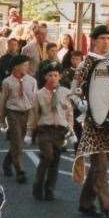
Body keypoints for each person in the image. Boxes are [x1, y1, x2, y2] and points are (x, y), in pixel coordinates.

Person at [70, 24, 109, 218]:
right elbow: (73, 92)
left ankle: (85, 203)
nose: (106, 41)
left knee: (100, 165)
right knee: (101, 167)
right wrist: (83, 105)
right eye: (102, 38)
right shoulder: (87, 64)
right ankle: (106, 207)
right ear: (94, 41)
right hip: (93, 124)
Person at [28, 61, 74, 201]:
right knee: (47, 156)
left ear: (60, 76)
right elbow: (34, 114)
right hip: (45, 130)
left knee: (55, 161)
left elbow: (69, 114)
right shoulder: (39, 94)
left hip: (59, 131)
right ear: (44, 77)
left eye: (55, 75)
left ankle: (50, 189)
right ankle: (38, 185)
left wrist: (71, 131)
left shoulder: (65, 93)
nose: (53, 78)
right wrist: (30, 133)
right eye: (50, 75)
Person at [0, 54, 37, 184]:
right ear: (16, 67)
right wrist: (1, 118)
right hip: (13, 112)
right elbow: (3, 100)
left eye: (28, 65)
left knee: (17, 142)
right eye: (25, 65)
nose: (27, 67)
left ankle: (6, 162)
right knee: (17, 142)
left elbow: (35, 100)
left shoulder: (32, 81)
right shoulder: (7, 82)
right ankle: (20, 171)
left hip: (27, 113)